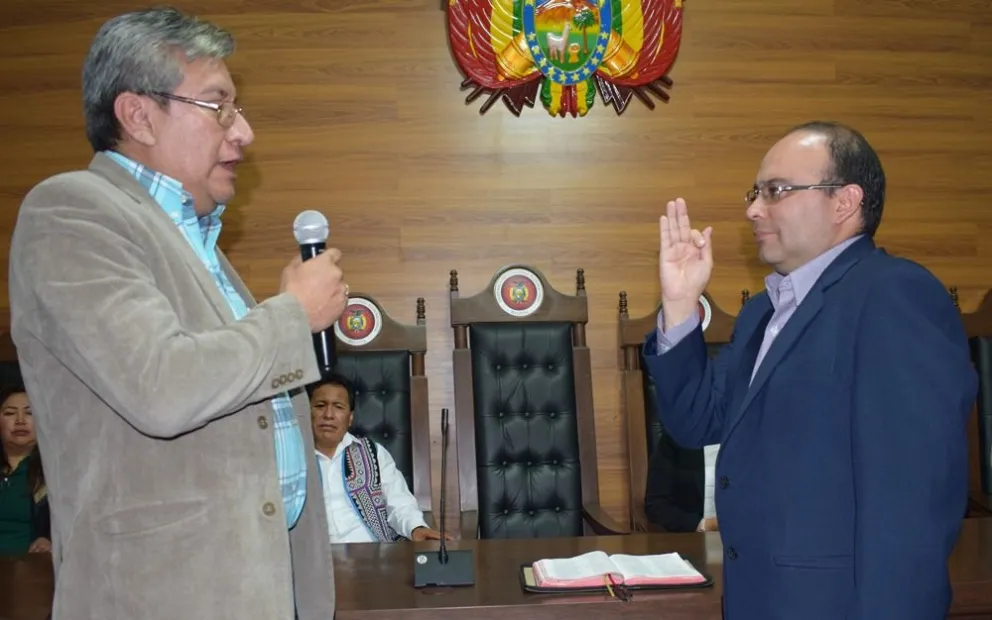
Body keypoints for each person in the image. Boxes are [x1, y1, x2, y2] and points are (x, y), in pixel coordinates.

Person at [7, 8, 346, 619]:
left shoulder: (200, 242)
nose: (243, 132)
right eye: (219, 106)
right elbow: (160, 384)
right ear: (138, 114)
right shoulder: (72, 212)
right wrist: (293, 316)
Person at [643, 120, 977, 620]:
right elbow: (695, 421)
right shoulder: (762, 312)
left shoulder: (893, 296)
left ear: (844, 202)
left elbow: (911, 508)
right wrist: (678, 305)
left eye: (776, 191)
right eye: (754, 192)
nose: (754, 209)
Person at [309, 375, 446, 543]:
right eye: (320, 405)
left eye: (338, 407)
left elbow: (399, 503)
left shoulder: (373, 452)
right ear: (306, 412)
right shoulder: (289, 460)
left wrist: (416, 528)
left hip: (375, 555)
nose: (328, 414)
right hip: (313, 560)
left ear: (350, 417)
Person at [0, 384, 51, 555]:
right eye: (10, 413)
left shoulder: (54, 472)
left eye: (30, 413)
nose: (20, 420)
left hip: (30, 570)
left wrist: (50, 540)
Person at [643, 432, 719, 533]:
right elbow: (656, 505)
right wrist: (706, 525)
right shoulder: (677, 437)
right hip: (693, 540)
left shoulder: (744, 438)